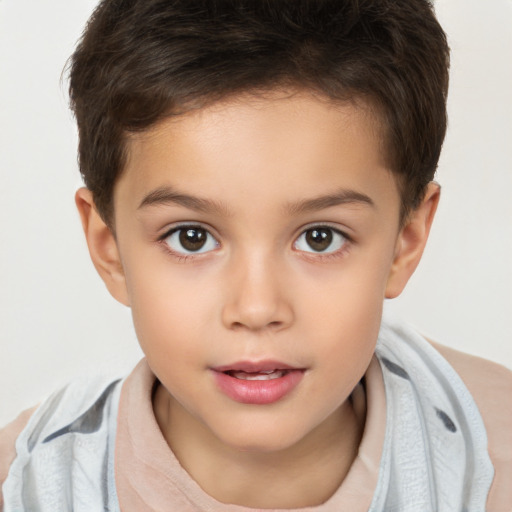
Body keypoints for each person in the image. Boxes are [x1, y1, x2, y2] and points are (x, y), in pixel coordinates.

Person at [1, 0, 511, 510]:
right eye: (191, 237)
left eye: (320, 238)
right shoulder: (26, 484)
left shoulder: (494, 455)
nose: (257, 308)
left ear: (407, 239)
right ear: (108, 247)